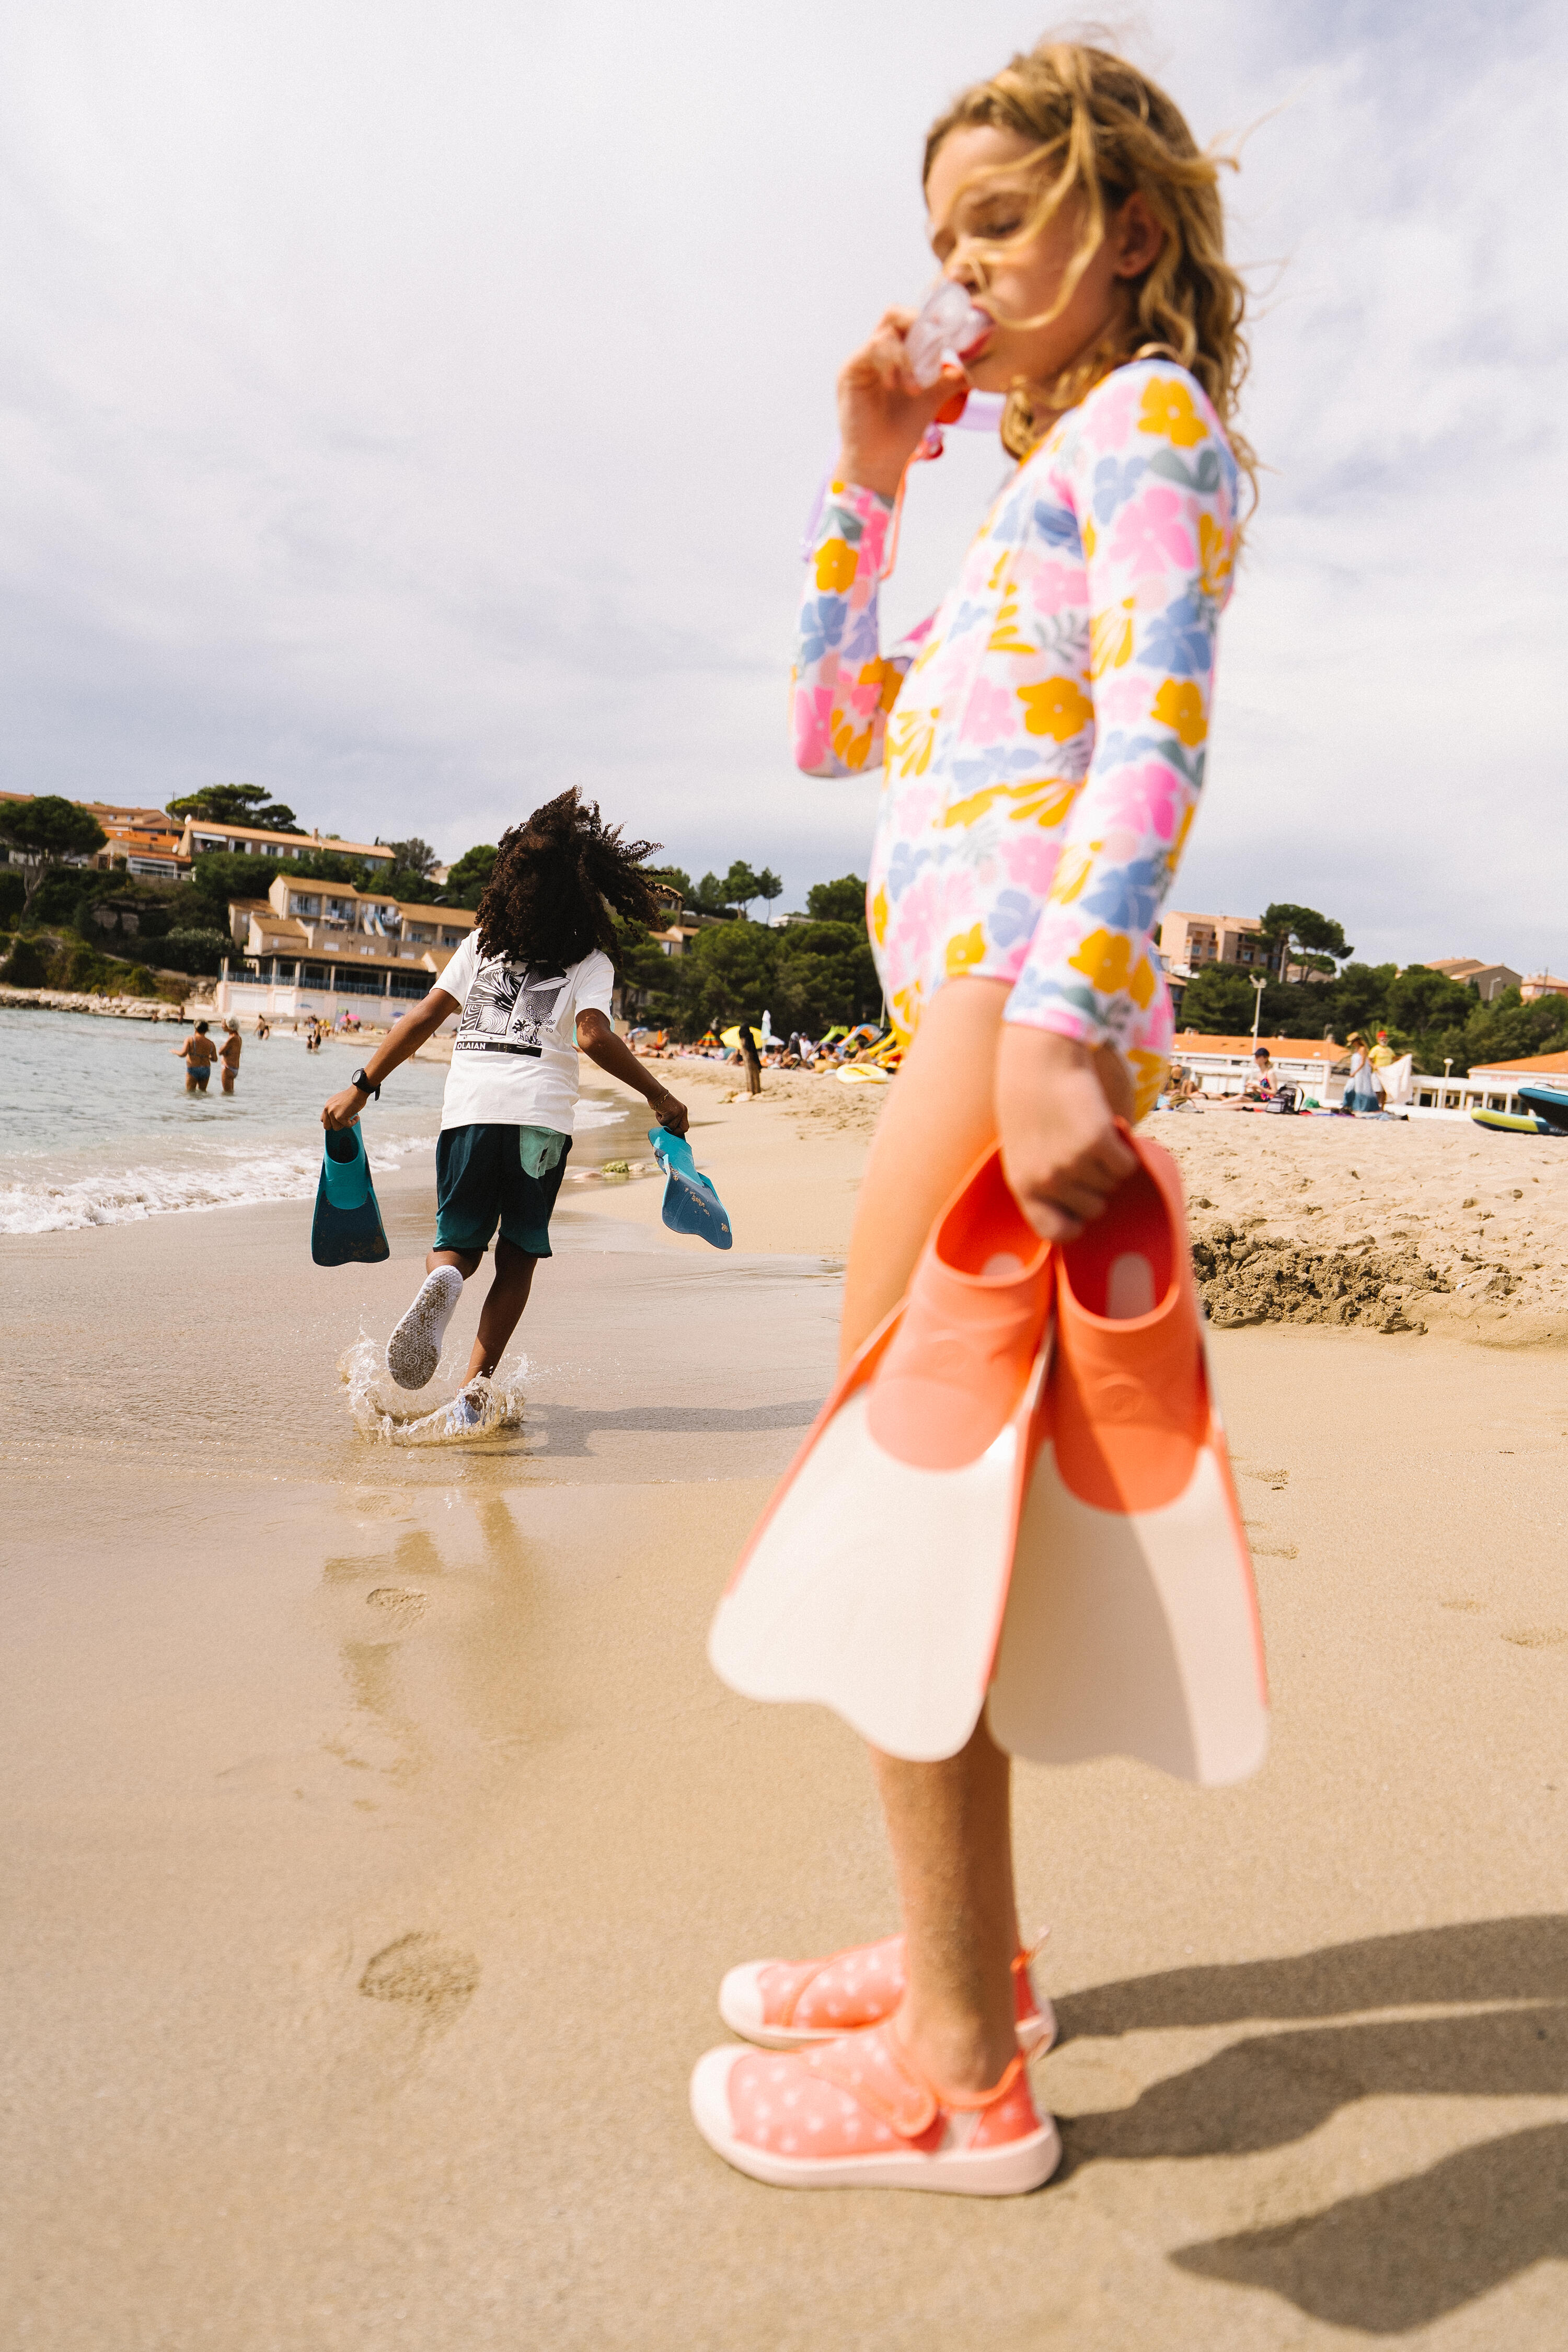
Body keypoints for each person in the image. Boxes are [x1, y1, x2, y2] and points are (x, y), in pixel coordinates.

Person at [691, 40, 1250, 2193]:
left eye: (1002, 222)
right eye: (942, 240)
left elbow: (1158, 733)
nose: (961, 271)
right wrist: (866, 472)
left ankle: (958, 2079)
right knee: (928, 1508)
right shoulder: (1024, 492)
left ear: (1127, 229)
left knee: (894, 1505)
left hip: (1015, 999)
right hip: (975, 1004)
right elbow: (836, 726)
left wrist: (1062, 1022)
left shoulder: (1151, 422)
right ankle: (976, 1967)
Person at [322, 791, 689, 1432]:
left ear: (510, 885)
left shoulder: (480, 947)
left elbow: (423, 1018)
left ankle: (445, 1280)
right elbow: (593, 1037)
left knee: (457, 1245)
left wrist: (362, 1085)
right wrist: (659, 1096)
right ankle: (473, 1392)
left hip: (470, 1112)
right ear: (584, 892)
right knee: (517, 1257)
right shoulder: (591, 961)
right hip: (540, 1124)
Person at [171, 1020, 218, 1092]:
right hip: (206, 1069)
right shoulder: (211, 1044)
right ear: (206, 1030)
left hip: (193, 1068)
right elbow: (215, 1059)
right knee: (202, 1092)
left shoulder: (190, 1040)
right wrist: (206, 1056)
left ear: (195, 1028)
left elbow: (183, 1054)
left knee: (190, 1093)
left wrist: (175, 1051)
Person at [218, 1018, 243, 1094]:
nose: (222, 1026)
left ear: (229, 1026)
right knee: (230, 1094)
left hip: (227, 1068)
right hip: (234, 1068)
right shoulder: (238, 1037)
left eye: (223, 1024)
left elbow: (220, 1052)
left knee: (226, 1095)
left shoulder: (232, 1038)